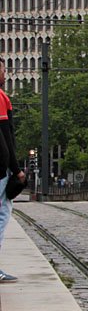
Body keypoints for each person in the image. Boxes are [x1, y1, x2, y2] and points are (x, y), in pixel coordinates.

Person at [0, 60, 24, 282]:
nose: (5, 73)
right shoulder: (0, 98)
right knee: (2, 214)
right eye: (2, 69)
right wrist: (16, 169)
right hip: (1, 167)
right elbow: (5, 135)